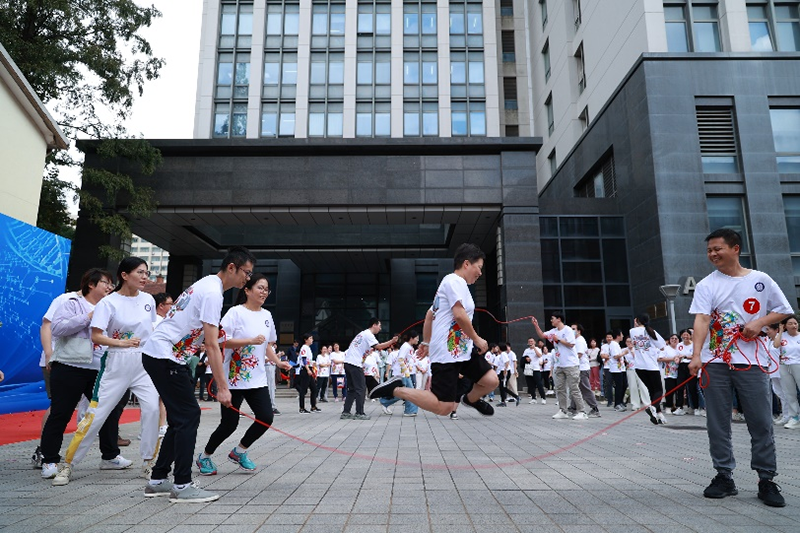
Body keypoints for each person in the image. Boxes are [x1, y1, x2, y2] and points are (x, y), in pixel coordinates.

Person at [141, 246, 255, 503]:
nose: (247, 279)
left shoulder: (207, 284)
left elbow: (205, 333)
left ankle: (158, 480)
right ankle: (182, 485)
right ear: (231, 267)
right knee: (189, 415)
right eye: (246, 273)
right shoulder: (213, 293)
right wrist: (223, 387)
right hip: (165, 356)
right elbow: (212, 345)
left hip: (164, 354)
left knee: (181, 418)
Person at [688, 228, 791, 507]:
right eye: (709, 250)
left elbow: (783, 309)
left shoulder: (761, 280)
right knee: (717, 422)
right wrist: (696, 355)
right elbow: (701, 320)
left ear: (735, 249)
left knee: (761, 421)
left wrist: (759, 322)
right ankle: (724, 475)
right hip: (715, 362)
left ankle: (766, 479)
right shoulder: (707, 284)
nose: (712, 254)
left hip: (752, 363)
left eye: (717, 249)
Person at [53, 258, 160, 486]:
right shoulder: (108, 303)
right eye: (140, 272)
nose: (145, 277)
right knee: (96, 414)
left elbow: (151, 330)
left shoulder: (148, 300)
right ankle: (68, 464)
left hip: (144, 363)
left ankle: (149, 462)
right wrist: (122, 343)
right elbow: (96, 336)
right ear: (124, 275)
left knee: (152, 410)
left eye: (147, 273)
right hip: (116, 361)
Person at [369, 243, 498, 418]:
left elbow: (430, 315)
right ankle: (396, 390)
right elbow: (459, 315)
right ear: (467, 264)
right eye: (479, 267)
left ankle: (470, 400)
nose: (480, 273)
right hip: (446, 353)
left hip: (463, 351)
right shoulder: (453, 281)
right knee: (444, 407)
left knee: (491, 381)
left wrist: (426, 342)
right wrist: (476, 338)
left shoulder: (454, 285)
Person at [39, 269, 130, 481]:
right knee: (61, 413)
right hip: (70, 365)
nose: (109, 287)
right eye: (106, 283)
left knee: (107, 411)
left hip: (99, 368)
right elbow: (58, 328)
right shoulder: (72, 302)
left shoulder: (111, 306)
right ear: (91, 284)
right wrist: (89, 316)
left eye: (111, 284)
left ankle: (110, 456)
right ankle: (49, 460)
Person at [196, 273, 291, 475]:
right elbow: (220, 341)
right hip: (233, 379)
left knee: (266, 418)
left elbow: (266, 345)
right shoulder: (235, 313)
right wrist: (249, 341)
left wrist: (278, 362)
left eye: (267, 289)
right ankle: (204, 456)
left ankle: (239, 452)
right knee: (229, 425)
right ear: (247, 290)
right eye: (260, 288)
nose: (264, 292)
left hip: (257, 378)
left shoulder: (267, 315)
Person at [32, 288, 80, 469]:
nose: (108, 288)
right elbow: (46, 325)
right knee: (58, 406)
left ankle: (109, 452)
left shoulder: (102, 304)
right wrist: (48, 353)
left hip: (85, 362)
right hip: (58, 360)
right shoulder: (67, 299)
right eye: (105, 283)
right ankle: (44, 451)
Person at [339, 319, 397, 420]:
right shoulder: (369, 334)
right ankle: (359, 413)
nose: (380, 328)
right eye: (379, 326)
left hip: (348, 363)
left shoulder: (362, 334)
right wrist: (391, 341)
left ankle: (346, 412)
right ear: (374, 325)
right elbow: (378, 346)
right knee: (361, 388)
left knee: (352, 389)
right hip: (355, 364)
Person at [532, 314, 587, 420]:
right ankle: (563, 411)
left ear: (559, 319)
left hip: (571, 364)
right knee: (560, 389)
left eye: (552, 319)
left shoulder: (568, 330)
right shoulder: (553, 331)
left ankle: (582, 411)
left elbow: (571, 344)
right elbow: (542, 335)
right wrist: (536, 325)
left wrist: (558, 340)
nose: (551, 320)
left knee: (574, 389)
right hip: (559, 365)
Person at [629, 313, 667, 425]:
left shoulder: (632, 331)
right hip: (651, 366)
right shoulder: (651, 331)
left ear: (636, 320)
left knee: (652, 390)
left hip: (639, 367)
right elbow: (662, 346)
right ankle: (653, 407)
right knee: (659, 390)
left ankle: (658, 414)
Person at [379, 330, 420, 417]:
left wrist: (409, 369)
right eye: (416, 338)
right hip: (402, 374)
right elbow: (400, 359)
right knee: (406, 392)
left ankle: (409, 410)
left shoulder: (409, 347)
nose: (417, 340)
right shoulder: (406, 346)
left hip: (405, 373)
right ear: (411, 338)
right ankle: (408, 410)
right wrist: (406, 371)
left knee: (406, 392)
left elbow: (407, 360)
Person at [569, 324, 600, 418]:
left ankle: (595, 408)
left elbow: (579, 355)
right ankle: (573, 408)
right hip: (578, 368)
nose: (571, 331)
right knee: (575, 388)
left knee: (585, 389)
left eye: (573, 329)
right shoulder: (575, 340)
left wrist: (569, 363)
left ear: (579, 331)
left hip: (582, 368)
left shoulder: (580, 341)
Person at [775, 316, 800, 429]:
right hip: (784, 366)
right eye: (790, 323)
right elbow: (776, 345)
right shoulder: (781, 336)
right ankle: (794, 417)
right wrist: (780, 331)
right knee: (789, 393)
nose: (794, 326)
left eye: (795, 323)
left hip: (798, 364)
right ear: (785, 326)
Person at [676, 328, 700, 415]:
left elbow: (695, 356)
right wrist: (678, 359)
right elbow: (677, 355)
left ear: (690, 336)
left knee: (692, 387)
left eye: (687, 335)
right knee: (680, 387)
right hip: (681, 366)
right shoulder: (679, 345)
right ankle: (680, 407)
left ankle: (696, 407)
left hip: (691, 366)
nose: (685, 337)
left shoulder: (694, 345)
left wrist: (685, 356)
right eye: (684, 335)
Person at [295, 334, 320, 413]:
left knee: (314, 389)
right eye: (310, 338)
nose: (312, 340)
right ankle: (301, 408)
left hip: (309, 368)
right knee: (303, 390)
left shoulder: (308, 348)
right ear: (306, 340)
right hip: (305, 370)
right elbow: (304, 359)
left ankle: (313, 406)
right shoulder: (304, 348)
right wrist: (308, 369)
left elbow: (309, 360)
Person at [661, 334, 681, 415]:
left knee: (679, 391)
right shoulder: (666, 348)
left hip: (680, 372)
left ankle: (678, 406)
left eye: (676, 338)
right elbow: (660, 358)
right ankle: (668, 406)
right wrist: (672, 359)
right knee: (669, 390)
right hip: (669, 373)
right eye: (672, 338)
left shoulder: (680, 348)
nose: (674, 340)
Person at [607, 331, 627, 411]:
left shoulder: (616, 344)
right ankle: (617, 404)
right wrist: (624, 353)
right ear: (618, 336)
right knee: (619, 386)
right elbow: (615, 356)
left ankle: (620, 401)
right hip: (616, 368)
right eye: (621, 335)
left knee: (624, 385)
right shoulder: (613, 344)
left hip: (621, 367)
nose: (623, 336)